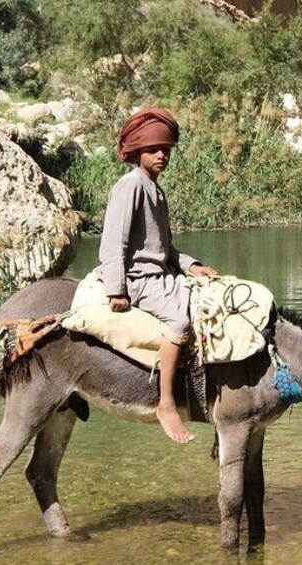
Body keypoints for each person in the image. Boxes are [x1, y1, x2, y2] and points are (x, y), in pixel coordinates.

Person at [93, 108, 216, 444]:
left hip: (159, 275)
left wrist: (190, 266)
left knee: (210, 297)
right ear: (137, 154)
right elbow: (113, 242)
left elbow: (163, 247)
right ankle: (165, 403)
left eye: (166, 150)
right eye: (153, 150)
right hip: (138, 279)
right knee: (180, 321)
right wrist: (117, 289)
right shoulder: (130, 186)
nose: (161, 155)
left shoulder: (155, 190)